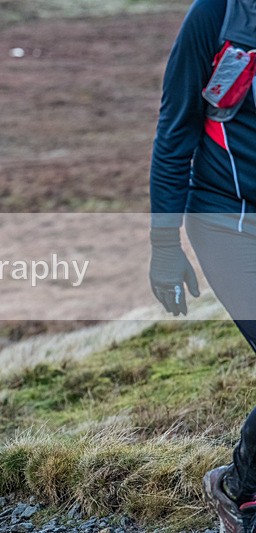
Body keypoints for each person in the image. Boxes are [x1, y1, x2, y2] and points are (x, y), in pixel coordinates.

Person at [149, 0, 256, 531]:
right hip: (226, 223)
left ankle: (243, 486)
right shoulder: (217, 16)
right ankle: (241, 489)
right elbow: (175, 131)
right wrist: (165, 247)